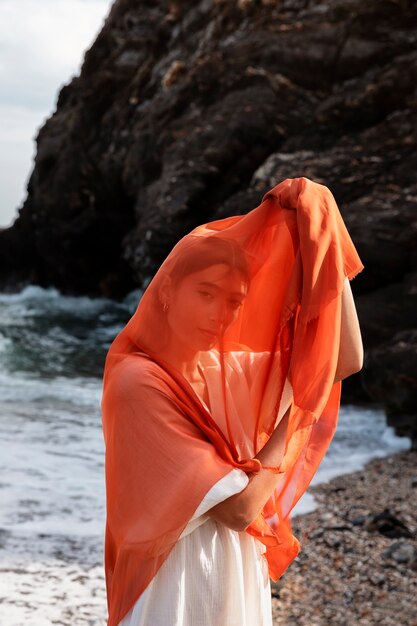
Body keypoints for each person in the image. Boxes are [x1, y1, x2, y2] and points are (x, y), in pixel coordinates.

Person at [101, 177, 364, 626]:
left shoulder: (227, 373)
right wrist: (295, 418)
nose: (217, 315)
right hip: (175, 590)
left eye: (233, 302)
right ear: (167, 292)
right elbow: (238, 510)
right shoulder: (138, 383)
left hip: (235, 575)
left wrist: (324, 233)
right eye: (205, 294)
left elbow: (345, 358)